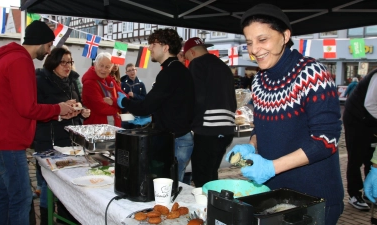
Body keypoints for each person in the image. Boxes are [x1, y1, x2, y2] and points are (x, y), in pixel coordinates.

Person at [225, 4, 343, 224]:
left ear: (285, 36)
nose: (255, 49)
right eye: (249, 42)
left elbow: (326, 140)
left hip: (313, 198)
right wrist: (251, 146)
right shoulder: (259, 80)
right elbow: (261, 128)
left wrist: (271, 167)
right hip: (273, 195)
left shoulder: (312, 73)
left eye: (263, 40)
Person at [0, 20, 74, 225]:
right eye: (49, 45)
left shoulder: (12, 58)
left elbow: (21, 106)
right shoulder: (20, 61)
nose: (49, 51)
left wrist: (56, 112)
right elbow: (28, 108)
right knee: (22, 197)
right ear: (40, 42)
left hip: (1, 137)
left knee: (7, 195)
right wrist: (58, 108)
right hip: (8, 139)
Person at [117, 28, 195, 183]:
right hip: (179, 137)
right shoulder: (178, 70)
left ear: (165, 47)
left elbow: (146, 106)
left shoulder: (169, 72)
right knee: (170, 185)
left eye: (153, 44)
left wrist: (124, 101)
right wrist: (153, 117)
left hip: (176, 140)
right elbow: (170, 104)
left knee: (168, 187)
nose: (149, 48)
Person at [34, 47, 90, 224]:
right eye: (63, 62)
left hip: (71, 141)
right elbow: (36, 111)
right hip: (48, 140)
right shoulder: (39, 81)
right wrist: (60, 110)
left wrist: (82, 112)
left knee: (68, 184)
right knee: (48, 184)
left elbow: (77, 104)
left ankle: (65, 219)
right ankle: (46, 219)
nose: (67, 66)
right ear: (53, 63)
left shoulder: (73, 80)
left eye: (70, 62)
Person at [183, 37, 236, 187]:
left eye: (187, 58)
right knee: (212, 173)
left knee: (201, 177)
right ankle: (213, 204)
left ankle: (206, 208)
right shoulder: (224, 67)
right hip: (227, 129)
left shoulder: (197, 64)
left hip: (208, 128)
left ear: (192, 52)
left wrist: (188, 121)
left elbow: (195, 97)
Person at [343, 68, 377, 211]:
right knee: (356, 157)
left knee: (371, 156)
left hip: (371, 120)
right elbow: (370, 104)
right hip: (356, 119)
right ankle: (354, 194)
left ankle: (370, 193)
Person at [82, 52, 124, 127]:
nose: (103, 70)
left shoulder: (111, 81)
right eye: (101, 66)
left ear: (111, 69)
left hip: (114, 126)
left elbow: (125, 97)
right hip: (97, 128)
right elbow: (101, 108)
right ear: (95, 65)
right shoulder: (89, 83)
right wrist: (119, 107)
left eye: (107, 67)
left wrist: (113, 101)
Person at [120, 63, 148, 129]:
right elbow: (120, 99)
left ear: (136, 70)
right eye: (129, 71)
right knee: (124, 132)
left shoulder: (141, 84)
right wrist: (125, 110)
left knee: (135, 133)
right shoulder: (123, 84)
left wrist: (134, 95)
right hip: (126, 113)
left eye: (133, 70)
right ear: (126, 72)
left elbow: (144, 98)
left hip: (137, 113)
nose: (132, 72)